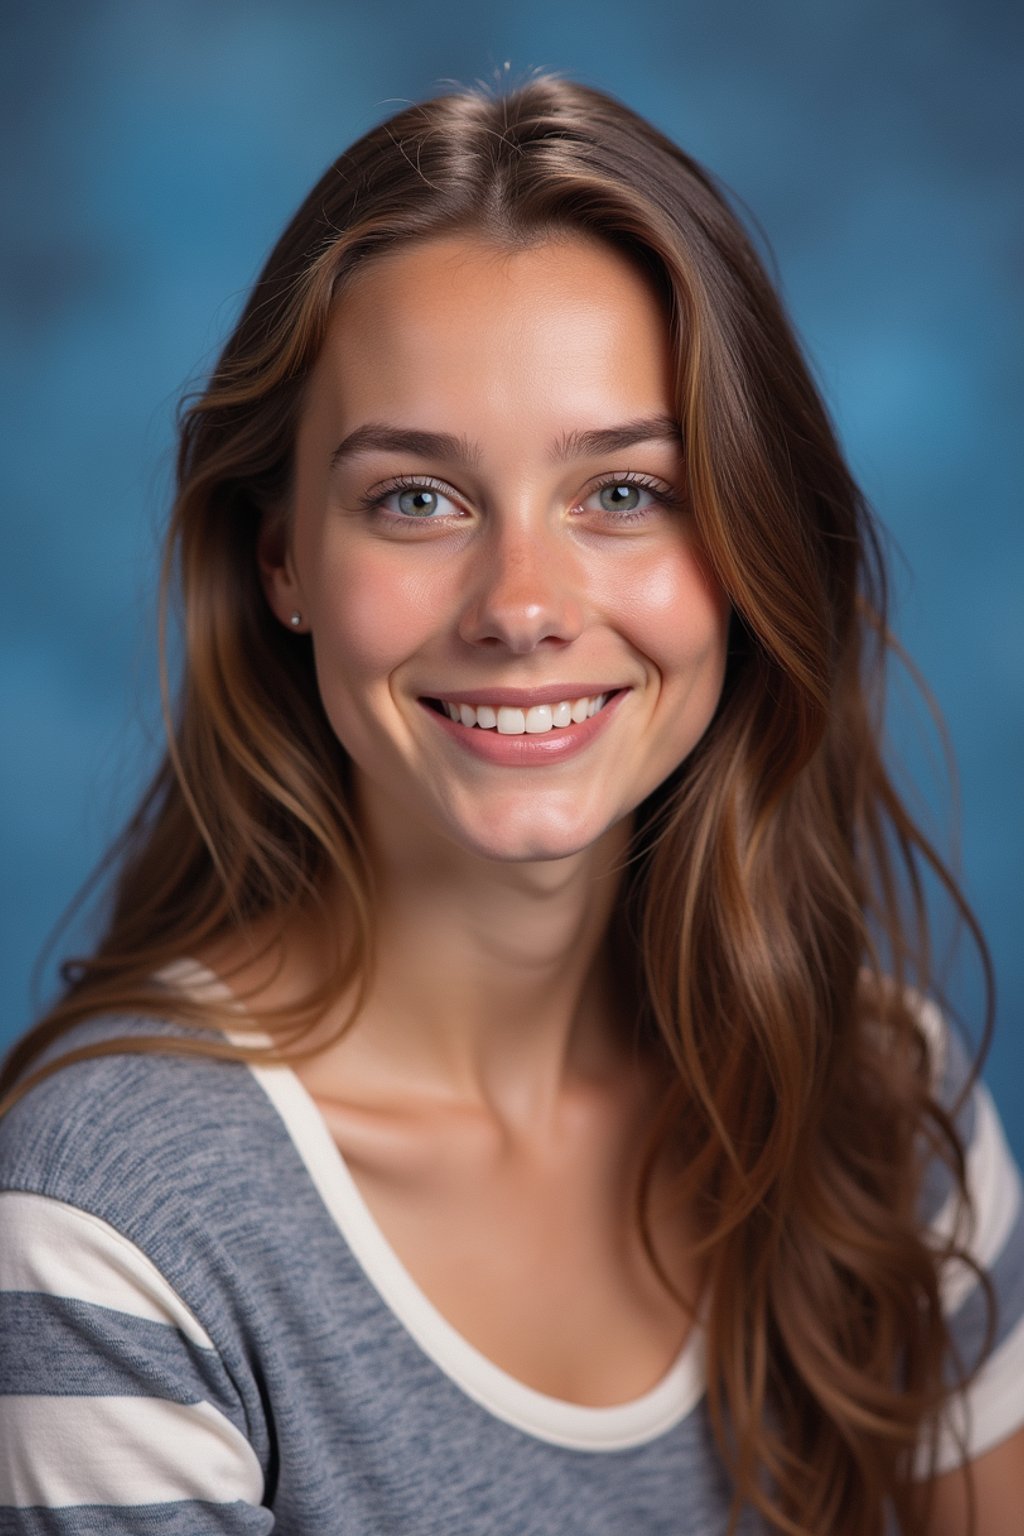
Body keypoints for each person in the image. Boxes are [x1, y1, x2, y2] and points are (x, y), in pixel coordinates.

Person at [0, 75, 1021, 1536]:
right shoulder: (109, 1230)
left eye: (625, 493)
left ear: (744, 544)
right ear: (282, 560)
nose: (524, 608)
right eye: (417, 499)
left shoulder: (875, 1105)